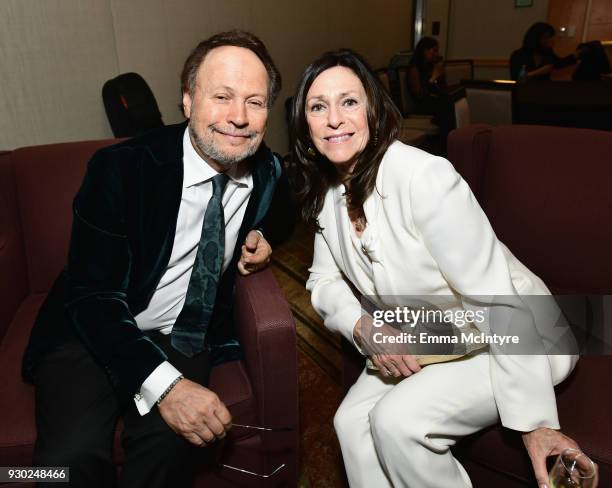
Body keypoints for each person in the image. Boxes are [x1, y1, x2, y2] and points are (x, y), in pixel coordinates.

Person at [289, 48, 596, 488]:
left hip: (512, 335)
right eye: (318, 107)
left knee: (399, 422)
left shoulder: (425, 178)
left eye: (349, 101)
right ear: (305, 124)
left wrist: (535, 422)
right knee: (350, 424)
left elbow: (496, 300)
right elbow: (322, 279)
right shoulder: (327, 194)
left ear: (374, 109)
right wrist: (362, 324)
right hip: (435, 335)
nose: (334, 118)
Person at [22, 30, 294, 488]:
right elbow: (92, 294)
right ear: (187, 101)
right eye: (222, 96)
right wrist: (166, 386)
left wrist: (264, 234)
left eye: (256, 102)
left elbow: (285, 210)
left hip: (182, 331)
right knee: (66, 462)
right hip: (93, 326)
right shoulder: (121, 169)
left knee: (171, 447)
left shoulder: (266, 169)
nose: (238, 117)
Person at [510, 22, 576, 81]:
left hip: (543, 91)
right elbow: (517, 78)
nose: (550, 40)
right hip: (523, 91)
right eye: (546, 37)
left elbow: (559, 63)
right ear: (536, 38)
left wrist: (576, 56)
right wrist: (540, 71)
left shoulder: (548, 53)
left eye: (551, 37)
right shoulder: (518, 55)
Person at [406, 36, 446, 116]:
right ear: (425, 51)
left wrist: (440, 76)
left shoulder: (430, 66)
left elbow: (440, 88)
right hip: (422, 106)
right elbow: (419, 95)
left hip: (432, 101)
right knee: (445, 105)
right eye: (434, 51)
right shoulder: (414, 68)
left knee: (450, 101)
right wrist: (433, 78)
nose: (437, 54)